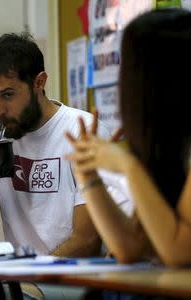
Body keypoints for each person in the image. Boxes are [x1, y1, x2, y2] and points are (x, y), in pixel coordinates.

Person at [0, 32, 128, 300]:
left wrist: (24, 276)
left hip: (75, 281)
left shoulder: (81, 131)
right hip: (19, 283)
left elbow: (87, 241)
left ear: (39, 82)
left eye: (8, 95)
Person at [65, 8, 191, 268]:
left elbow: (178, 252)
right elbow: (130, 247)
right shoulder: (168, 150)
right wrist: (89, 177)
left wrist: (129, 167)